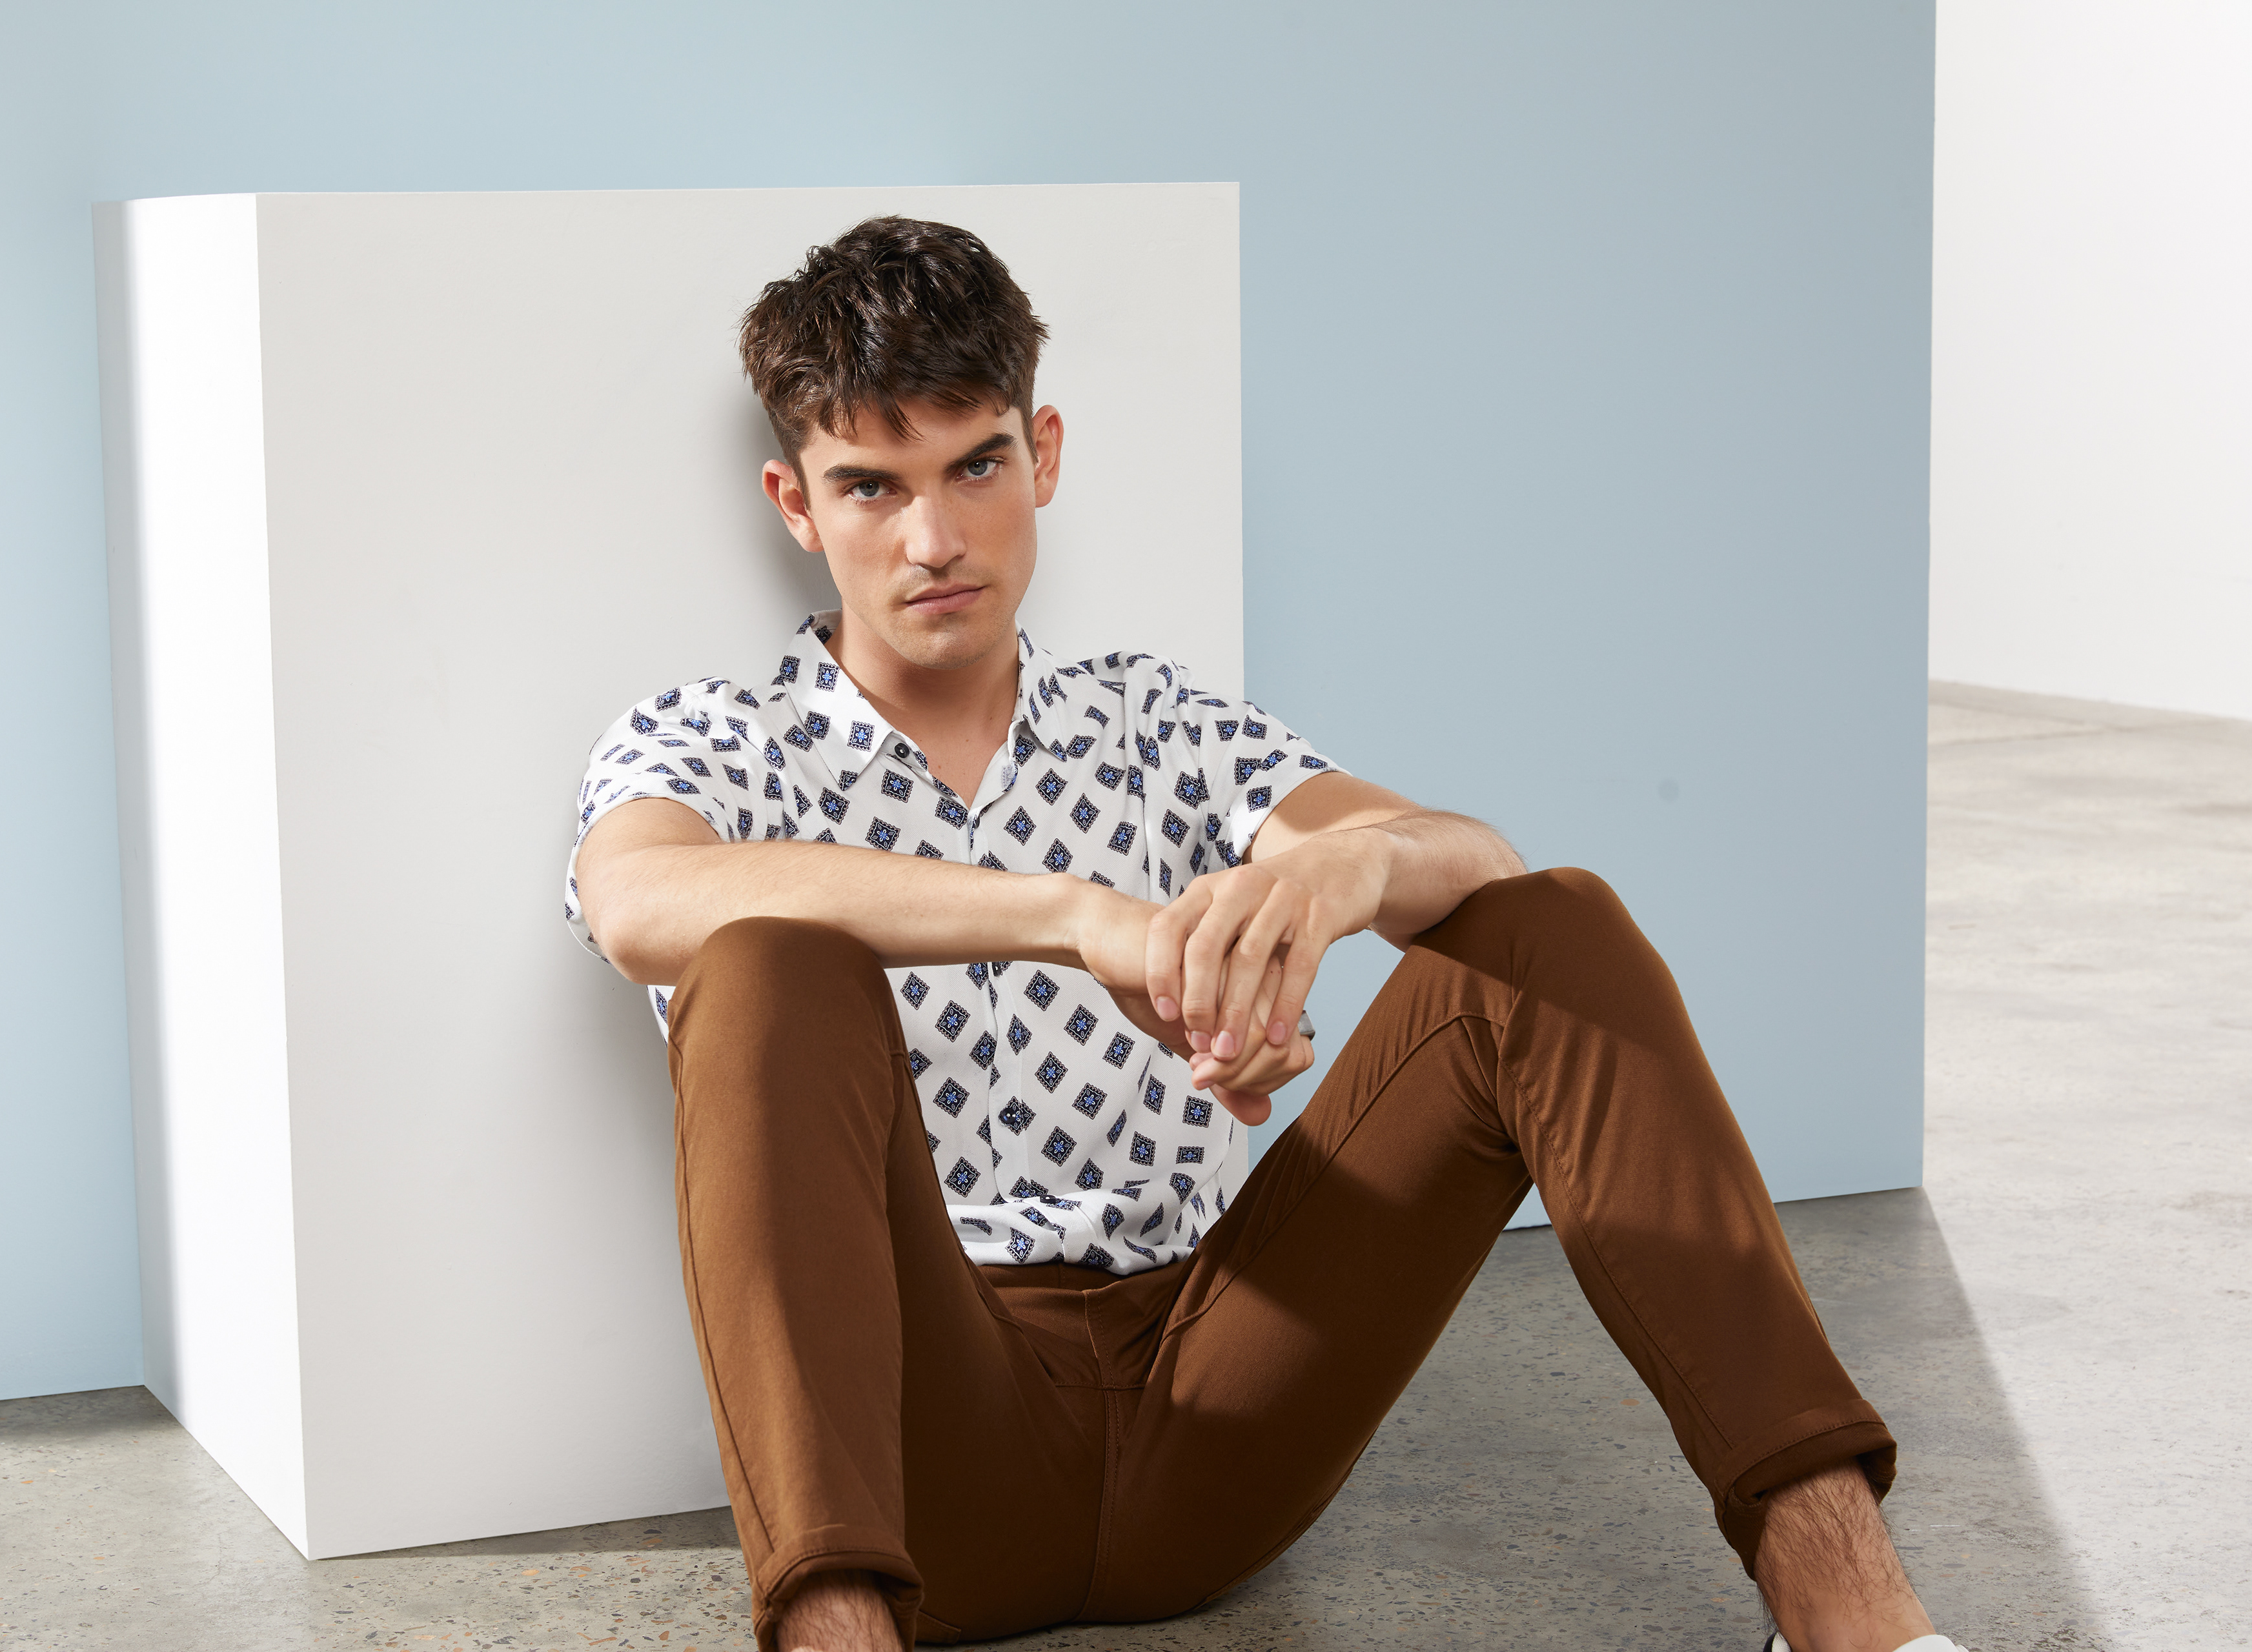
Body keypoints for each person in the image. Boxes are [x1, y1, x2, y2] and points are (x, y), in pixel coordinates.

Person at [566, 217, 1965, 1652]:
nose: (933, 540)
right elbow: (639, 903)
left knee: (1554, 926)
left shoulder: (1154, 722)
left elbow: (1476, 863)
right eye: (871, 486)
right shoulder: (715, 739)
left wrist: (1342, 876)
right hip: (928, 1456)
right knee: (768, 959)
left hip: (1213, 1405)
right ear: (797, 506)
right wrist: (1079, 919)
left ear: (1043, 453)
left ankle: (1854, 1616)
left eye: (975, 466)